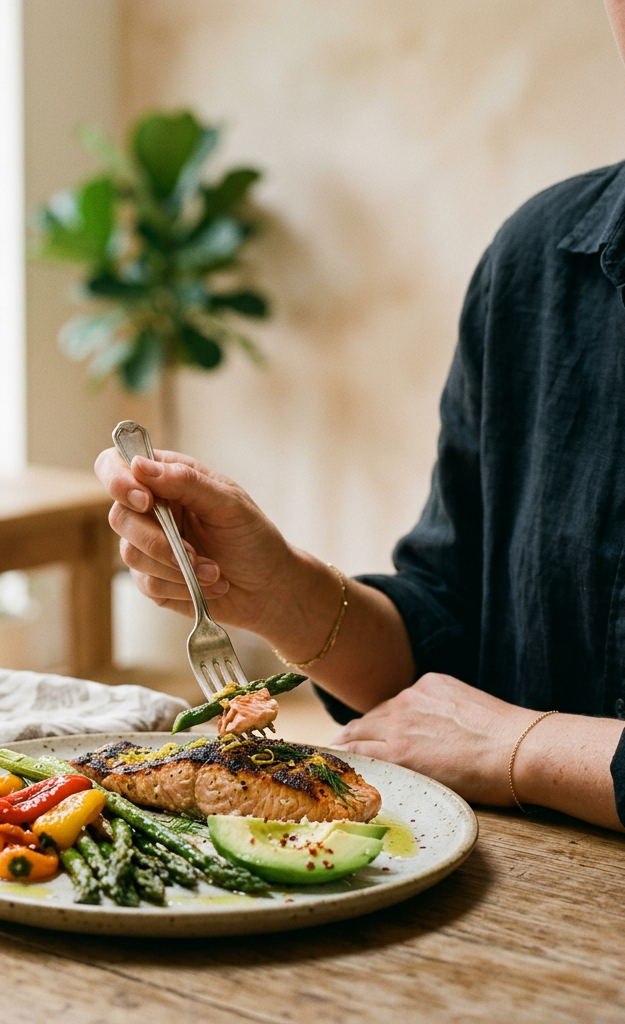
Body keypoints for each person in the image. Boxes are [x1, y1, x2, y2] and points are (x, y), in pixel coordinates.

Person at [95, 2, 625, 834]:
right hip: (505, 897)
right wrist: (278, 592)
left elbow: (488, 731)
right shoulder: (538, 263)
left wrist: (525, 749)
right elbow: (448, 653)